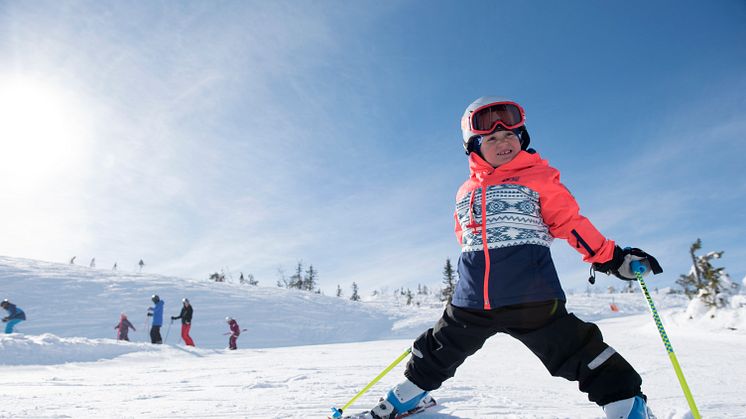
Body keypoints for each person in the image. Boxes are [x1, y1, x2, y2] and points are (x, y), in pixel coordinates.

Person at [365, 97, 662, 419]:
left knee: (578, 351)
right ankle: (408, 398)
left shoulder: (538, 178)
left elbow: (570, 224)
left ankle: (627, 406)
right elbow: (464, 237)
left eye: (510, 135)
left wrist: (611, 258)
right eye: (491, 138)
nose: (503, 142)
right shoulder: (465, 190)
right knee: (436, 351)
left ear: (522, 138)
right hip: (472, 301)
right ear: (473, 146)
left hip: (530, 297)